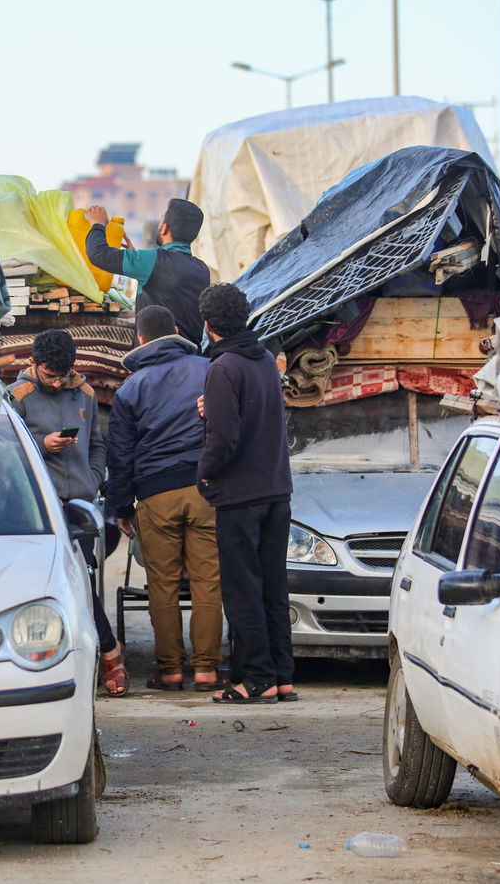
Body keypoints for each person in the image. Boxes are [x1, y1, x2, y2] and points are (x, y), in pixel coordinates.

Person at [106, 305, 223, 691]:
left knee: (163, 584)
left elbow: (120, 455)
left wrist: (120, 507)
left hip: (155, 495)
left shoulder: (130, 388)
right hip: (206, 489)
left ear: (140, 339)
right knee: (208, 581)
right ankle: (207, 670)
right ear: (174, 330)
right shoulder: (208, 369)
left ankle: (170, 670)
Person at [7, 328, 127, 696]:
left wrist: (92, 479)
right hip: (37, 510)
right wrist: (42, 445)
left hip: (80, 506)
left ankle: (105, 654)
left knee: (82, 581)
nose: (58, 383)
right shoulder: (15, 397)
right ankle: (105, 653)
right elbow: (5, 453)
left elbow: (97, 446)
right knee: (41, 587)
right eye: (50, 375)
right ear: (33, 363)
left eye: (63, 375)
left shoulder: (85, 393)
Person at [194, 283, 295, 704]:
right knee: (273, 585)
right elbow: (257, 415)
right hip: (276, 489)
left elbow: (224, 437)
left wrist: (205, 475)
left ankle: (256, 678)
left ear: (207, 324)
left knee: (242, 589)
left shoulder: (224, 367)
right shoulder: (264, 359)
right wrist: (214, 408)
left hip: (240, 495)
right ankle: (282, 676)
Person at [83, 199, 212, 347]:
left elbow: (98, 254)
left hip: (157, 355)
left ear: (164, 228)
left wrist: (97, 225)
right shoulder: (202, 269)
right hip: (192, 355)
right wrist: (136, 257)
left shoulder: (153, 260)